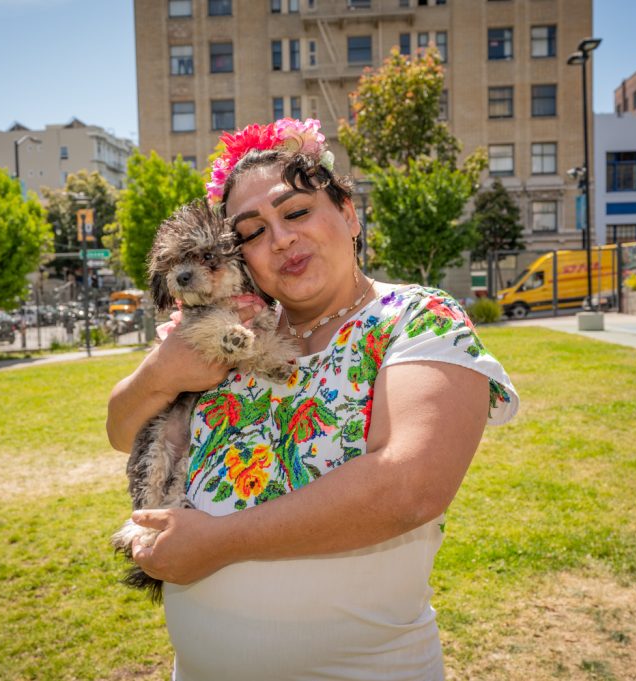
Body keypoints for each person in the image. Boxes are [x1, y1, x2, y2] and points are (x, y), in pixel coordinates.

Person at [106, 118, 519, 680]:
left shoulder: (415, 319)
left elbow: (409, 488)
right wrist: (161, 371)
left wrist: (218, 544)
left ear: (348, 214)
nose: (280, 239)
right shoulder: (233, 334)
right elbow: (121, 430)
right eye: (252, 232)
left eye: (296, 212)